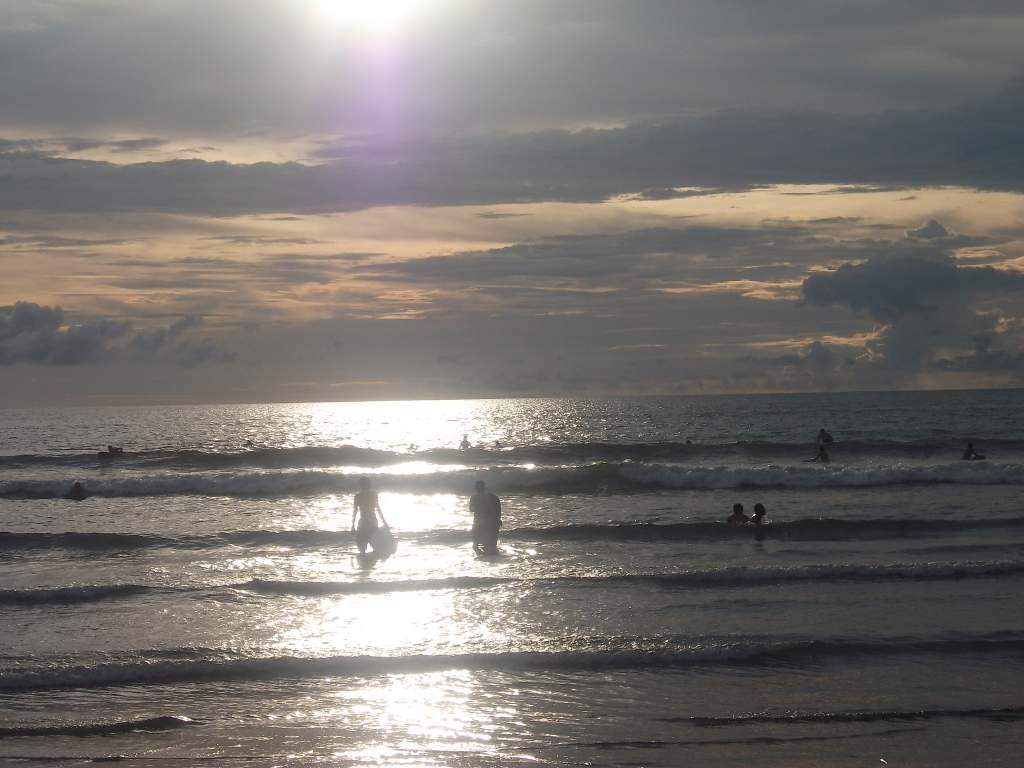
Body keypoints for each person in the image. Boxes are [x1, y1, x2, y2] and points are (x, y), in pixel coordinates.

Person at [351, 477, 388, 555]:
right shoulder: (373, 495)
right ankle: (372, 562)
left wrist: (353, 526)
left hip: (363, 522)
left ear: (360, 485)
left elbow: (355, 512)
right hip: (373, 521)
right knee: (374, 543)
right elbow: (378, 509)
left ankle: (364, 561)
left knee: (361, 546)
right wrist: (384, 521)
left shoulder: (357, 497)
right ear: (369, 485)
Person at [470, 479, 501, 555]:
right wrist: (498, 520)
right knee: (491, 546)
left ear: (477, 488)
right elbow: (498, 510)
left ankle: (483, 558)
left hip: (479, 523)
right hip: (492, 523)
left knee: (476, 545)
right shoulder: (494, 497)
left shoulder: (474, 497)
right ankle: (492, 559)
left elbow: (471, 509)